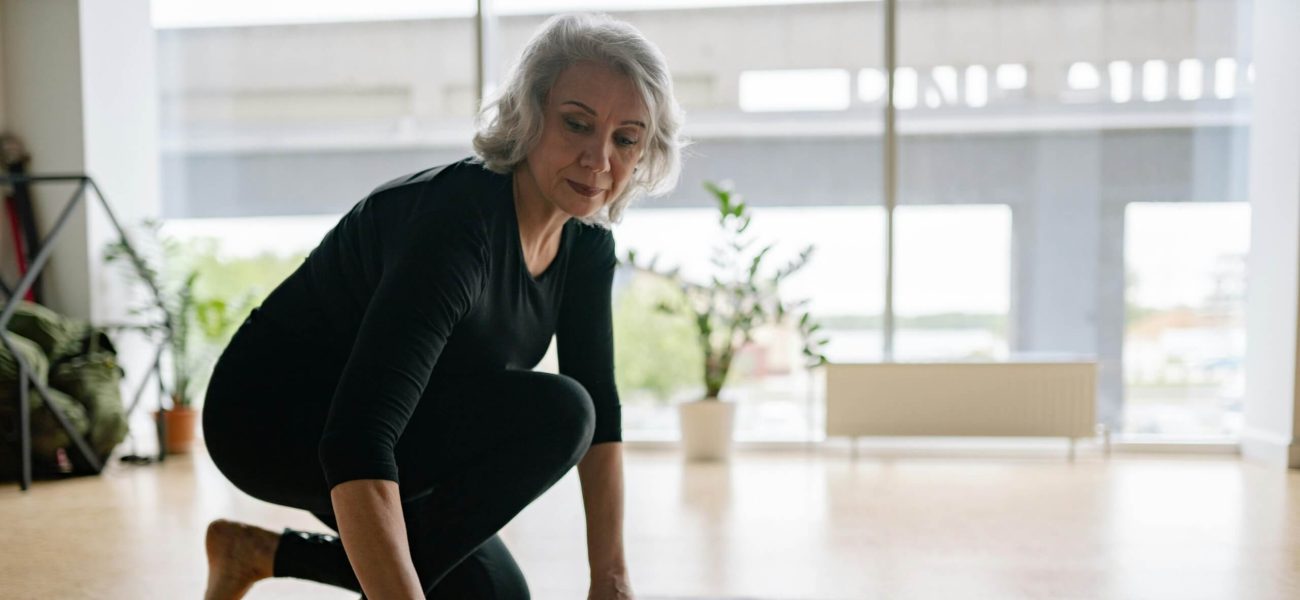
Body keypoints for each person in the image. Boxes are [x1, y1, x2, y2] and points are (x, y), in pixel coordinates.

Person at [199, 13, 684, 600]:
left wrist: (611, 580)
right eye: (577, 124)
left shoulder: (586, 243)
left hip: (400, 417)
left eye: (625, 138)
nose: (599, 160)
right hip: (273, 416)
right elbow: (357, 438)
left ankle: (255, 552)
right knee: (560, 411)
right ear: (529, 116)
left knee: (496, 595)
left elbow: (602, 417)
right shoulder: (455, 227)